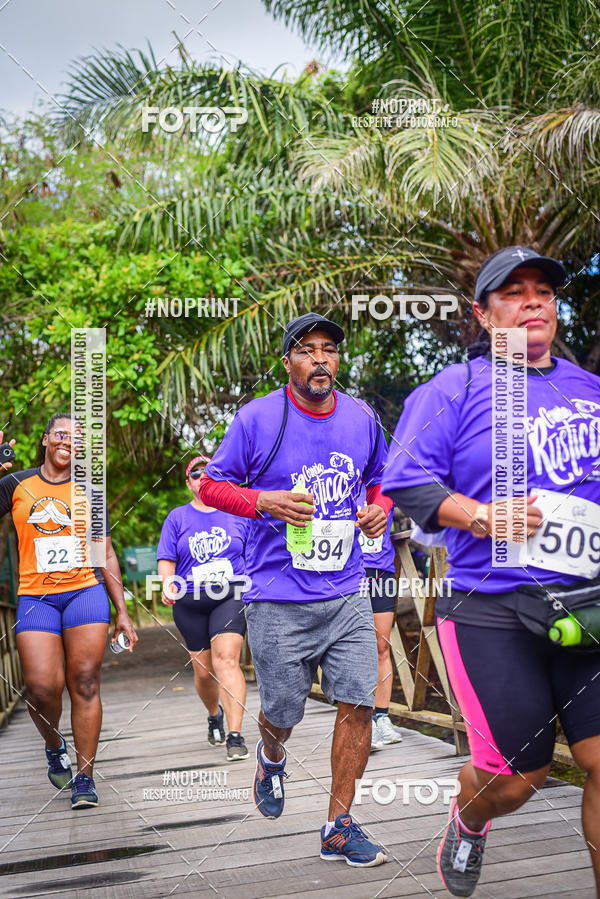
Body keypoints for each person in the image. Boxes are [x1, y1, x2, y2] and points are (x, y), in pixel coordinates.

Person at [382, 246, 600, 897]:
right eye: (513, 291)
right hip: (491, 608)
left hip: (586, 601)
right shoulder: (452, 390)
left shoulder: (589, 389)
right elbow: (407, 483)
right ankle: (469, 817)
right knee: (519, 775)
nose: (533, 299)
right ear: (482, 312)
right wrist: (481, 516)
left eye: (544, 289)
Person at [198, 312, 391, 867]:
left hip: (347, 589)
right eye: (307, 350)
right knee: (284, 709)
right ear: (288, 361)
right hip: (278, 597)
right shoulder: (257, 419)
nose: (321, 360)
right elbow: (212, 485)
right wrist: (265, 501)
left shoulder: (361, 417)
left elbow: (381, 479)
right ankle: (271, 753)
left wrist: (379, 508)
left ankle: (338, 825)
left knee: (357, 702)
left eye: (329, 349)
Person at [0, 412, 138, 810]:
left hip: (84, 593)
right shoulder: (16, 484)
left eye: (77, 438)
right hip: (36, 597)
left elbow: (105, 553)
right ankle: (54, 743)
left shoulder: (90, 492)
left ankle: (84, 778)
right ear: (45, 440)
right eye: (61, 434)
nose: (68, 441)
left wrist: (123, 613)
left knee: (85, 682)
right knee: (41, 688)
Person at [157, 455, 249, 761]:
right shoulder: (177, 518)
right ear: (189, 483)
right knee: (205, 670)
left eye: (208, 472)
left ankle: (235, 735)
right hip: (190, 601)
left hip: (230, 594)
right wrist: (167, 584)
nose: (202, 477)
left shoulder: (237, 511)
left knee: (227, 661)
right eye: (195, 474)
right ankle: (214, 714)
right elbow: (166, 561)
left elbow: (257, 551)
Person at [356, 485, 403, 750]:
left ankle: (382, 717)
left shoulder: (384, 487)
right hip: (348, 572)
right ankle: (361, 721)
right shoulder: (335, 484)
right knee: (355, 649)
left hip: (380, 571)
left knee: (381, 647)